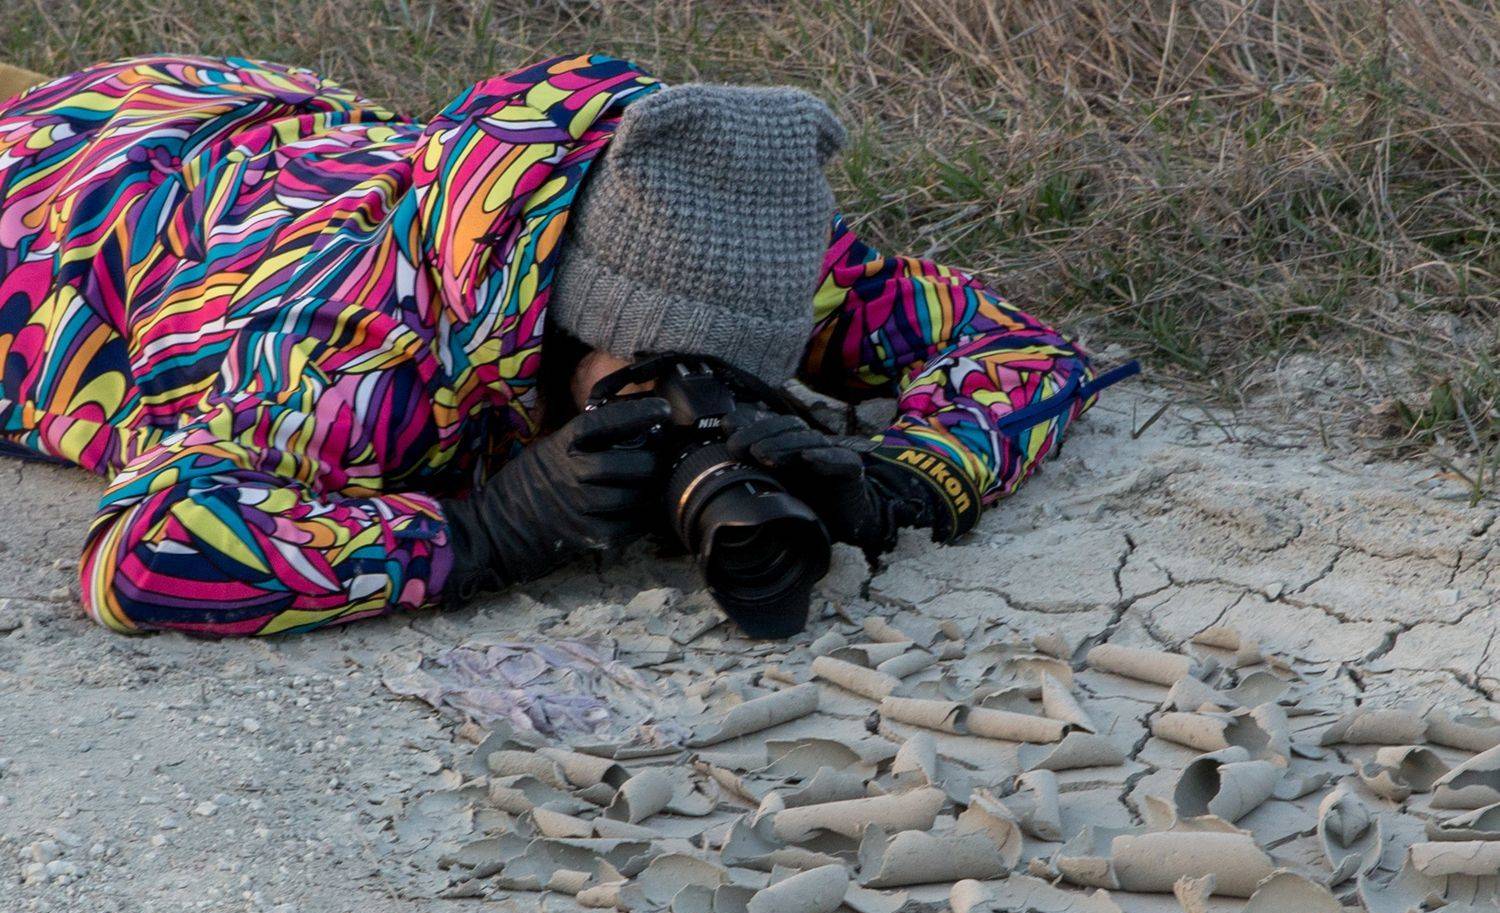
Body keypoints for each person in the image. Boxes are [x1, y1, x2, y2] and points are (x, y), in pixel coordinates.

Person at [0, 54, 1130, 637]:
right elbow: (140, 555)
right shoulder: (344, 352)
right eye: (648, 373)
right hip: (58, 194)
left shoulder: (725, 230)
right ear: (554, 317)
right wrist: (477, 533)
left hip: (256, 112)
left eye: (731, 383)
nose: (687, 408)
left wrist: (910, 480)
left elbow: (1024, 350)